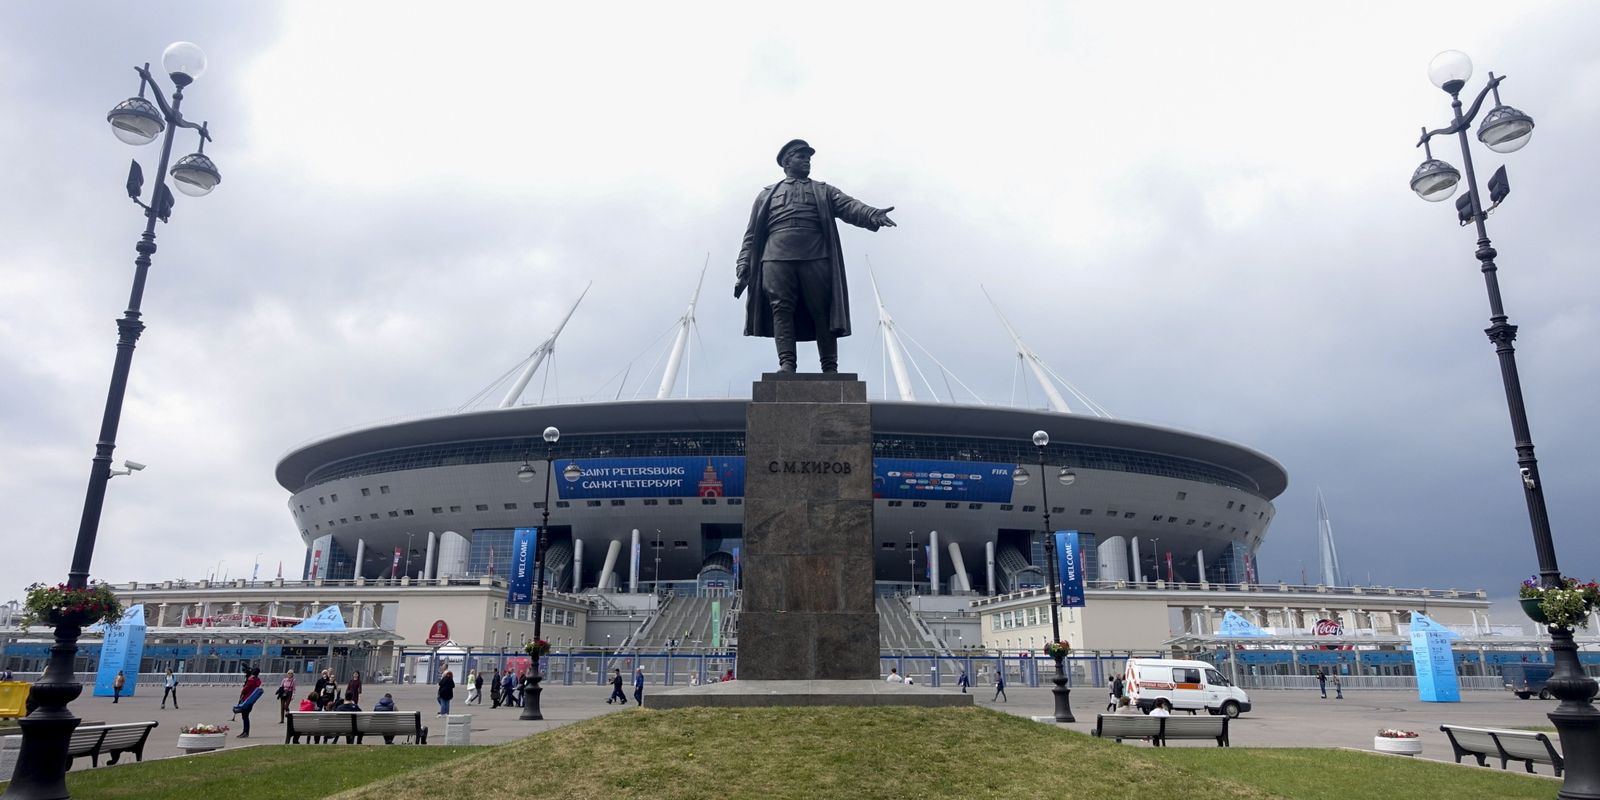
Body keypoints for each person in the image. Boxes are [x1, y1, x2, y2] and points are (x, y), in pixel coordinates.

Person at [735, 139, 897, 373]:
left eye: (808, 157)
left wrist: (872, 214)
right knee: (781, 309)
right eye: (801, 156)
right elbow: (751, 235)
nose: (807, 161)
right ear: (787, 162)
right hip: (775, 256)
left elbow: (849, 206)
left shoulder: (822, 190)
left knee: (822, 309)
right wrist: (743, 265)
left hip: (815, 253)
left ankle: (830, 367)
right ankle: (787, 364)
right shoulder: (766, 195)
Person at [234, 668, 264, 738]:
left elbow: (245, 689)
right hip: (252, 699)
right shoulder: (258, 680)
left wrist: (242, 693)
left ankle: (245, 732)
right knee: (246, 716)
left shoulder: (251, 680)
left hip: (246, 698)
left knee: (245, 716)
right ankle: (245, 732)